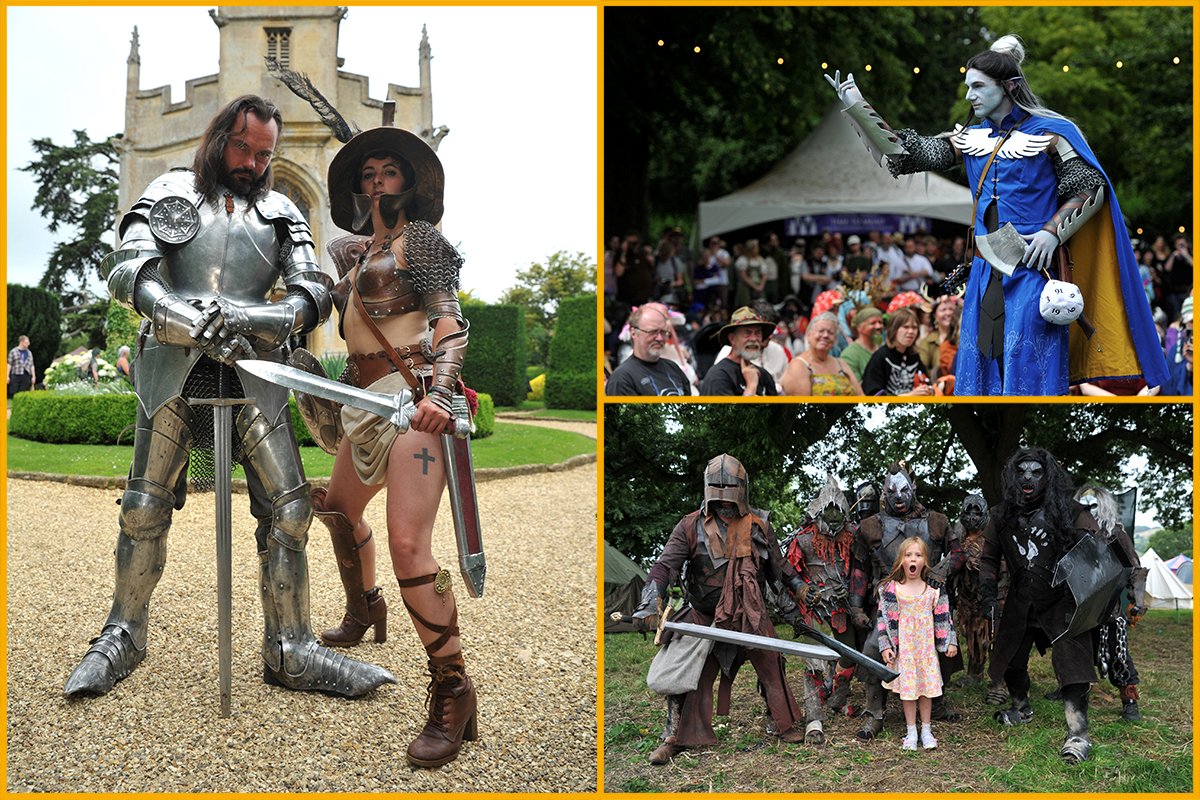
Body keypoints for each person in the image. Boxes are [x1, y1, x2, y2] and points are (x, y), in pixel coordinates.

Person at [66, 95, 394, 700]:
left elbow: (314, 291)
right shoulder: (168, 189)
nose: (250, 162)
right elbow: (125, 268)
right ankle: (122, 634)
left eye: (263, 154)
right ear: (219, 138)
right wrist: (179, 314)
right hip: (172, 361)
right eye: (242, 148)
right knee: (144, 507)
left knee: (291, 512)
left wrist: (253, 315)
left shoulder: (281, 210)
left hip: (255, 371)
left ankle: (291, 648)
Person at [272, 66, 482, 767]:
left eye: (390, 171)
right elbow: (332, 290)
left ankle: (451, 690)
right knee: (334, 508)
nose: (377, 181)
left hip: (411, 403)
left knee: (408, 547)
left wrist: (438, 395)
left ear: (410, 183)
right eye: (369, 172)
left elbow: (451, 326)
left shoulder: (421, 244)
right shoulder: (358, 254)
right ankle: (366, 609)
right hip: (362, 405)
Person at [828, 36, 1168, 395]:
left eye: (977, 86)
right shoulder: (970, 138)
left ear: (1009, 86)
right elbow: (905, 156)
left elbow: (1091, 186)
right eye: (967, 87)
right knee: (982, 362)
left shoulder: (1052, 132)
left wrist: (1052, 232)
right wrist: (856, 103)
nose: (969, 96)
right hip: (983, 273)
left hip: (1034, 270)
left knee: (1028, 361)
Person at [628, 454, 811, 764]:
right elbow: (664, 567)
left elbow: (779, 566)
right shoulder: (689, 525)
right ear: (708, 487)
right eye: (719, 486)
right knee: (685, 670)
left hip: (748, 612)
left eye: (731, 486)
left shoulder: (759, 524)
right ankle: (674, 735)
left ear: (743, 488)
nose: (725, 495)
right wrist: (650, 601)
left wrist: (802, 588)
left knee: (771, 665)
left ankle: (780, 723)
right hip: (703, 615)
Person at [979, 448, 1102, 763]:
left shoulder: (1071, 512)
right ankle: (1021, 707)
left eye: (1036, 472)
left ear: (1048, 476)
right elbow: (990, 559)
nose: (1028, 478)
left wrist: (1086, 602)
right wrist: (988, 596)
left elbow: (1095, 559)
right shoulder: (1001, 515)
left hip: (1062, 602)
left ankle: (1078, 734)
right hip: (1021, 601)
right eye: (1022, 472)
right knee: (1009, 658)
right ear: (1013, 476)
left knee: (1073, 665)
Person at [849, 460, 963, 741]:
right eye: (891, 492)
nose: (898, 498)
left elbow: (959, 553)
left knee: (944, 645)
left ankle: (935, 702)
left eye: (903, 491)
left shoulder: (936, 522)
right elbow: (859, 568)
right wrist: (855, 606)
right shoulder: (870, 526)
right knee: (874, 647)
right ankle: (875, 712)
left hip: (928, 601)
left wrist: (942, 569)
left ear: (913, 488)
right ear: (884, 493)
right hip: (889, 603)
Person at [783, 476, 861, 739]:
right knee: (813, 659)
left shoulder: (852, 536)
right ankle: (814, 717)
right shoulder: (803, 539)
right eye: (827, 515)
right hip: (811, 607)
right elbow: (787, 573)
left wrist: (849, 588)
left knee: (849, 654)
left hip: (841, 605)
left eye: (838, 517)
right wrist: (803, 590)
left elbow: (861, 569)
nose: (832, 522)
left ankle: (836, 698)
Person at [877, 537, 959, 751]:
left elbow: (945, 617)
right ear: (901, 561)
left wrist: (950, 641)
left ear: (924, 562)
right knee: (909, 692)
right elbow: (882, 620)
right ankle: (911, 731)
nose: (913, 559)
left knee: (926, 691)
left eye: (918, 555)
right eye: (908, 555)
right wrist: (885, 645)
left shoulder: (933, 590)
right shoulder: (891, 590)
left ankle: (926, 730)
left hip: (925, 652)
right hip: (904, 652)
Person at [1074, 485, 1147, 721]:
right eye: (1083, 507)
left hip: (1109, 608)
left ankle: (1129, 700)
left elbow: (1135, 569)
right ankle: (1071, 690)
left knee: (1117, 652)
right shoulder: (1072, 535)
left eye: (1093, 506)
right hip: (1078, 606)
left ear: (1103, 507)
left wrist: (1138, 602)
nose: (1088, 512)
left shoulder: (1115, 534)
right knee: (1075, 651)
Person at [947, 494, 1008, 704]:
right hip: (968, 600)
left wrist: (994, 596)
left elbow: (1002, 571)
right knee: (972, 637)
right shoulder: (959, 542)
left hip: (991, 599)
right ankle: (974, 673)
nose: (972, 517)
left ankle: (1000, 683)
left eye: (977, 512)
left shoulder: (993, 541)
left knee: (992, 638)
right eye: (968, 512)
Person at [606, 304, 691, 396]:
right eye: (652, 332)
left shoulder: (673, 368)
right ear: (633, 333)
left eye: (663, 332)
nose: (660, 338)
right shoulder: (622, 378)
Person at [779, 312, 863, 396]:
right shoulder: (799, 365)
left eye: (830, 332)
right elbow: (802, 406)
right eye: (821, 331)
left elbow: (862, 398)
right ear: (808, 335)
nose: (825, 335)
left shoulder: (841, 364)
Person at [699, 307, 778, 396]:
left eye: (758, 333)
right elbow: (729, 410)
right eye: (747, 333)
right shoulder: (719, 375)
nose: (754, 339)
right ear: (732, 338)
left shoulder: (763, 375)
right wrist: (751, 386)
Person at [860, 306, 932, 396]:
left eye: (914, 328)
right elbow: (873, 396)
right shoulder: (881, 357)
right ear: (894, 329)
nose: (911, 331)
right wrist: (910, 396)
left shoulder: (914, 357)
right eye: (906, 327)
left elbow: (926, 382)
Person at [838, 306, 884, 382]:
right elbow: (855, 387)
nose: (878, 326)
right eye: (873, 323)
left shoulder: (883, 348)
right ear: (859, 328)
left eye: (880, 322)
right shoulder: (850, 355)